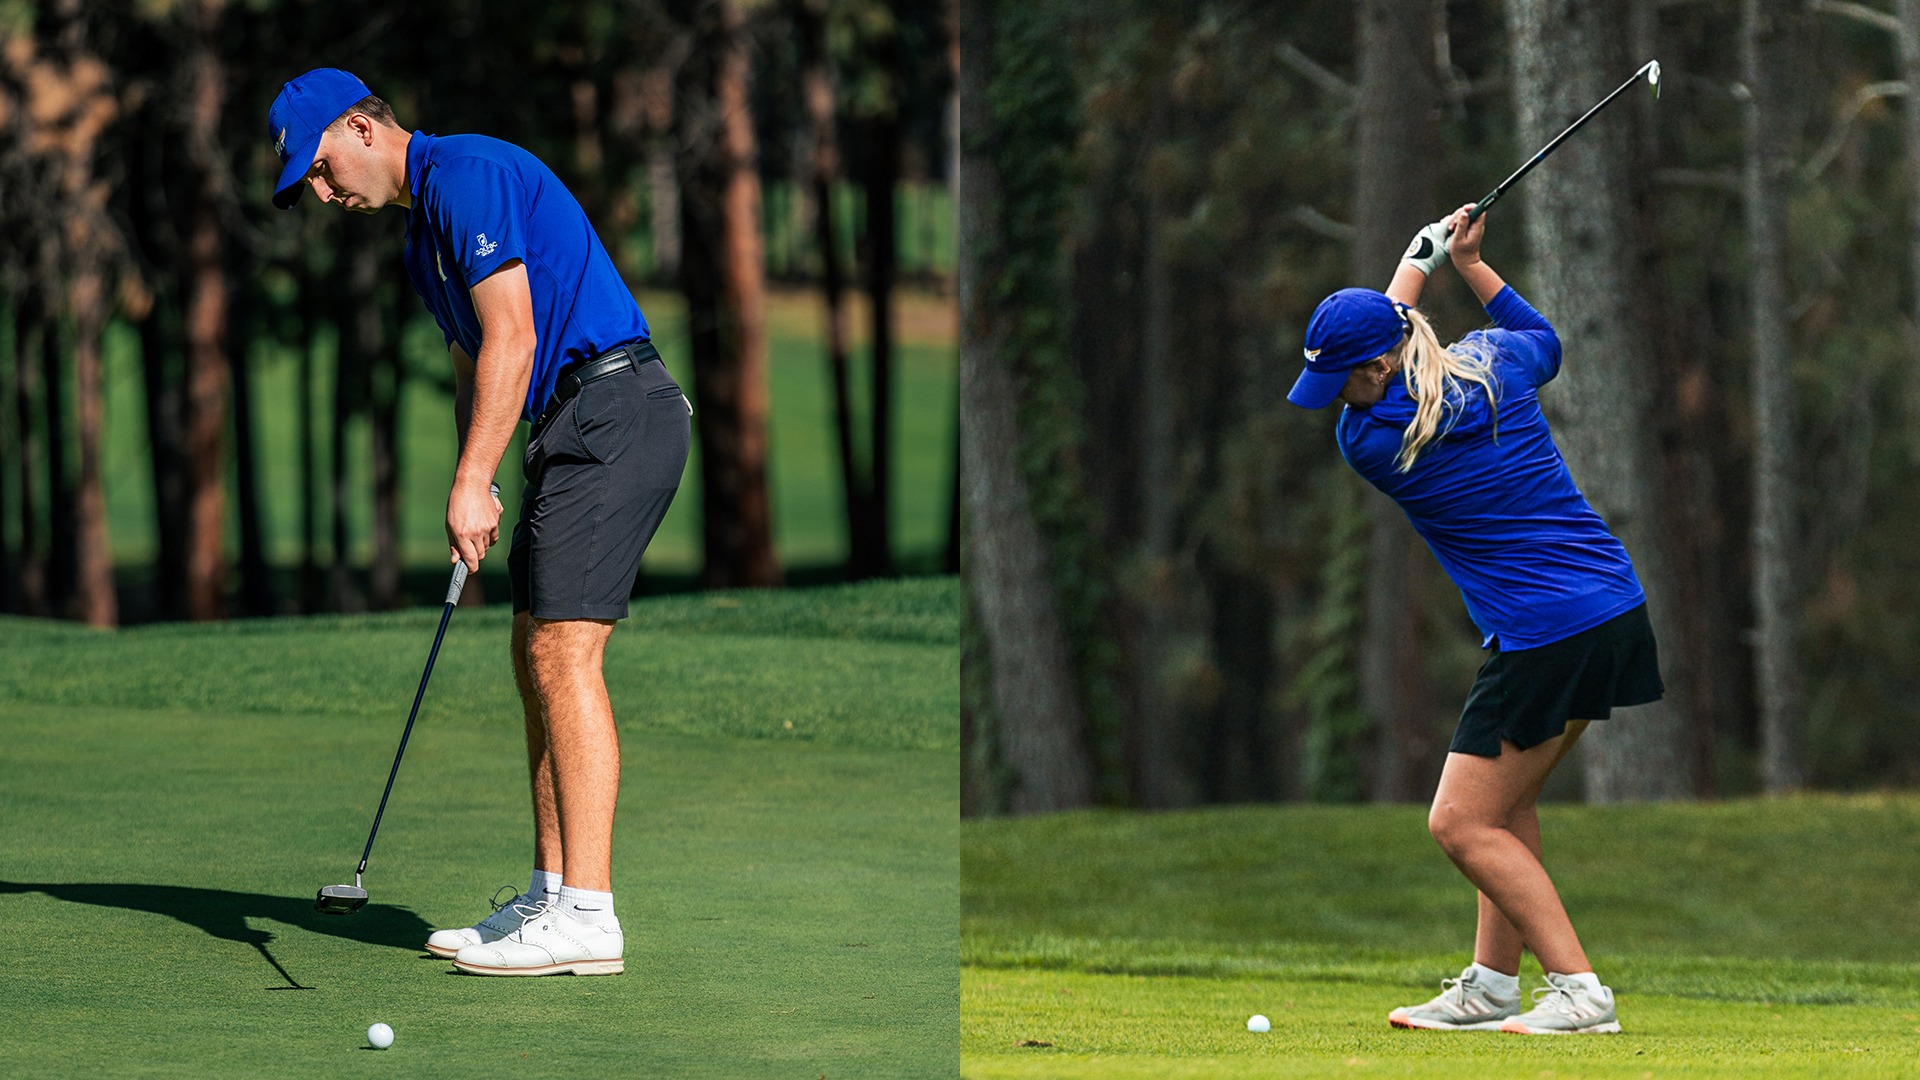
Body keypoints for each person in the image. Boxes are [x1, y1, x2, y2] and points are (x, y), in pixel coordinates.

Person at [268, 69, 691, 977]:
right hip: (570, 427)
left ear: (361, 126)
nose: (321, 190)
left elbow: (516, 336)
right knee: (531, 646)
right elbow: (473, 363)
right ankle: (550, 894)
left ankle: (590, 913)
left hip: (618, 408)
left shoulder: (465, 174)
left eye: (319, 165)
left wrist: (470, 479)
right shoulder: (424, 237)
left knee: (561, 651)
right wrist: (480, 479)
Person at [1287, 204, 1662, 1034]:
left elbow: (1393, 341)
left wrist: (1417, 262)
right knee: (1505, 807)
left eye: (1346, 377)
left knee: (1458, 822)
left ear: (1380, 366)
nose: (1335, 399)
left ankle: (1579, 991)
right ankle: (1493, 986)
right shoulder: (1496, 366)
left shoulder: (1374, 442)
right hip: (1609, 609)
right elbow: (1544, 341)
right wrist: (1469, 265)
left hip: (1545, 633)